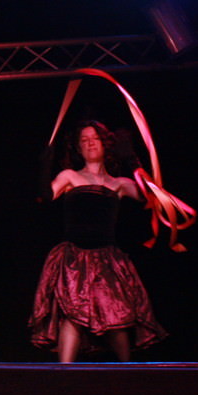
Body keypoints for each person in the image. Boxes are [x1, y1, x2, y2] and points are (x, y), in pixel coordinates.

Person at [29, 120, 167, 362]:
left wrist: (132, 159)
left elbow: (151, 196)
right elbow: (45, 196)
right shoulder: (70, 176)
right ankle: (65, 374)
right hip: (73, 258)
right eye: (84, 140)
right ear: (78, 148)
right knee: (72, 314)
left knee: (117, 317)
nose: (90, 143)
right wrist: (45, 166)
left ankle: (126, 374)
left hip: (107, 259)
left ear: (105, 144)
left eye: (95, 138)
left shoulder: (119, 183)